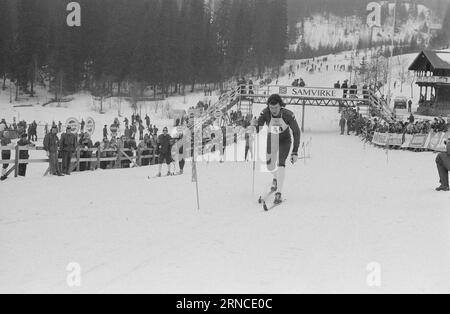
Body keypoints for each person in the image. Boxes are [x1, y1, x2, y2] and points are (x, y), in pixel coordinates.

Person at [254, 94, 301, 205]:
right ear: (268, 107)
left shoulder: (288, 115)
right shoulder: (265, 113)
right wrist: (252, 126)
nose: (273, 110)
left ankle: (278, 193)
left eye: (276, 108)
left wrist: (295, 151)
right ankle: (276, 178)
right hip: (272, 139)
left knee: (281, 163)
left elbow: (296, 132)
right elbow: (258, 127)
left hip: (285, 140)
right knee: (269, 165)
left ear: (281, 106)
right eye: (271, 108)